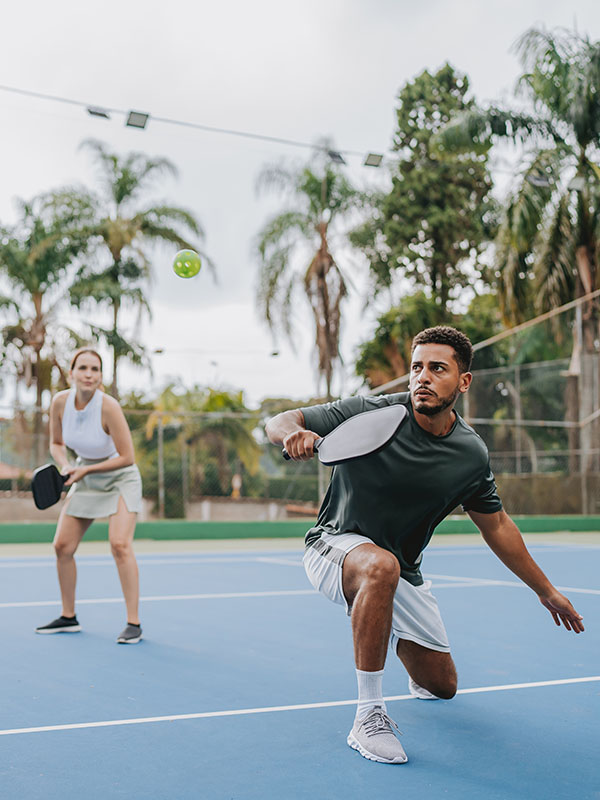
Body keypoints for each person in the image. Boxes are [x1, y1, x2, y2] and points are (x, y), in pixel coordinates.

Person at [266, 326, 584, 765]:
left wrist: (546, 591)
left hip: (403, 569)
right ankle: (368, 716)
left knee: (442, 686)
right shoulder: (372, 413)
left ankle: (383, 621)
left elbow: (497, 526)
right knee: (379, 569)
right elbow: (280, 420)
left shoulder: (469, 454)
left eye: (437, 368)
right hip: (334, 545)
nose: (423, 377)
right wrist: (290, 435)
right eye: (417, 367)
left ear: (464, 381)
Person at [35, 348, 144, 644]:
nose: (89, 374)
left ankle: (133, 623)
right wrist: (68, 466)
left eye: (95, 369)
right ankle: (68, 616)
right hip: (84, 472)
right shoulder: (60, 403)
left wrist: (84, 472)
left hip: (120, 477)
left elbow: (128, 457)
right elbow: (56, 444)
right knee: (62, 546)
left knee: (120, 545)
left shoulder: (108, 407)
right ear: (71, 373)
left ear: (100, 376)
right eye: (83, 368)